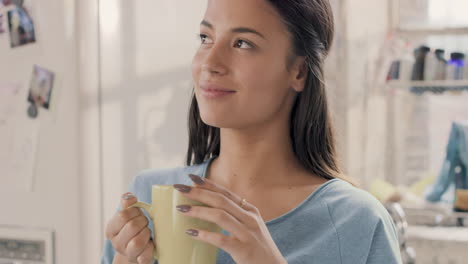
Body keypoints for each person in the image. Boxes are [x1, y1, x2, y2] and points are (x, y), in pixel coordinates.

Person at [101, 0, 402, 263]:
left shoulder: (357, 222)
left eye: (242, 43)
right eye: (206, 37)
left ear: (298, 71)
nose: (210, 62)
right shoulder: (148, 197)